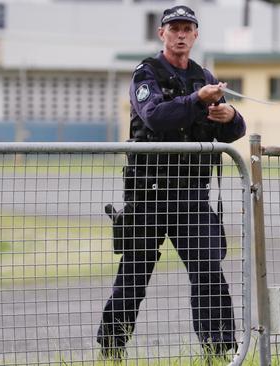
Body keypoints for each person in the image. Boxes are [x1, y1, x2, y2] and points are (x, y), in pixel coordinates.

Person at [97, 5, 246, 360]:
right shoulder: (146, 73)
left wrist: (230, 114)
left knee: (208, 269)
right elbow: (156, 117)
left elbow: (234, 130)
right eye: (174, 28)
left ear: (195, 35)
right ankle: (112, 347)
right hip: (149, 193)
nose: (180, 34)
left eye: (187, 28)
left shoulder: (203, 76)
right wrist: (198, 100)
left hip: (192, 195)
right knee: (135, 271)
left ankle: (218, 350)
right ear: (161, 33)